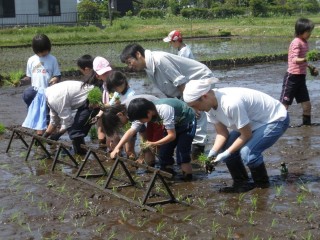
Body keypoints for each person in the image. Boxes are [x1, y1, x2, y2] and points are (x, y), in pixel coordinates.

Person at [183, 79, 289, 192]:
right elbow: (222, 133)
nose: (196, 110)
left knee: (248, 153)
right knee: (227, 147)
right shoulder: (209, 107)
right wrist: (213, 153)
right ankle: (242, 182)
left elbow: (246, 134)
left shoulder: (230, 103)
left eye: (195, 105)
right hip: (251, 123)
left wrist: (226, 153)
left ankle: (262, 186)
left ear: (204, 96)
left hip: (274, 119)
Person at [120, 43, 218, 161]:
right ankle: (190, 155)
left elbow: (181, 83)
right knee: (185, 121)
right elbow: (167, 89)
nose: (130, 66)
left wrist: (190, 105)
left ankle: (198, 157)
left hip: (198, 81)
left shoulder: (160, 60)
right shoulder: (149, 68)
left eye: (129, 62)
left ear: (138, 54)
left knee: (197, 118)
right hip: (184, 90)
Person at [126, 98, 196, 181]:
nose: (141, 122)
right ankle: (169, 175)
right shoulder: (146, 112)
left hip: (186, 122)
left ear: (148, 114)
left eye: (141, 120)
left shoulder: (164, 109)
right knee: (164, 153)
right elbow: (131, 130)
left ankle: (188, 180)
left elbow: (172, 136)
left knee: (182, 154)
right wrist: (117, 148)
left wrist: (154, 143)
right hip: (173, 125)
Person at [42, 77, 101, 155]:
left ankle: (81, 154)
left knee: (75, 130)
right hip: (84, 102)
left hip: (92, 101)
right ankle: (79, 152)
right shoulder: (48, 96)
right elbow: (54, 120)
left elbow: (68, 121)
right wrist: (44, 136)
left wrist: (57, 135)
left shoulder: (53, 98)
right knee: (74, 129)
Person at [103, 95, 163, 165]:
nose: (121, 126)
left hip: (158, 114)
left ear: (119, 115)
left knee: (156, 147)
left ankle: (164, 164)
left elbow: (142, 133)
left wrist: (142, 155)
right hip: (149, 116)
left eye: (119, 124)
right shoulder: (123, 110)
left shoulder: (132, 111)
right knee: (150, 146)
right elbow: (132, 131)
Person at [22, 34, 61, 136]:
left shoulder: (52, 59)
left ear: (49, 48)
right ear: (35, 50)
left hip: (49, 92)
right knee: (37, 115)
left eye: (45, 51)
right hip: (36, 93)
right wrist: (22, 81)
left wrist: (55, 79)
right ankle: (39, 139)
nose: (43, 54)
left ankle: (52, 140)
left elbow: (57, 75)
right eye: (40, 52)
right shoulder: (31, 60)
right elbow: (29, 76)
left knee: (50, 116)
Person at [280, 18, 316, 126]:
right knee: (285, 105)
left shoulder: (305, 42)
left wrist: (310, 67)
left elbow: (304, 59)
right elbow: (294, 59)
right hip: (292, 78)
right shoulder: (296, 42)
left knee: (307, 105)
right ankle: (277, 124)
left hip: (301, 78)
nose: (310, 34)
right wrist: (306, 60)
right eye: (308, 31)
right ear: (301, 31)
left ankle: (306, 125)